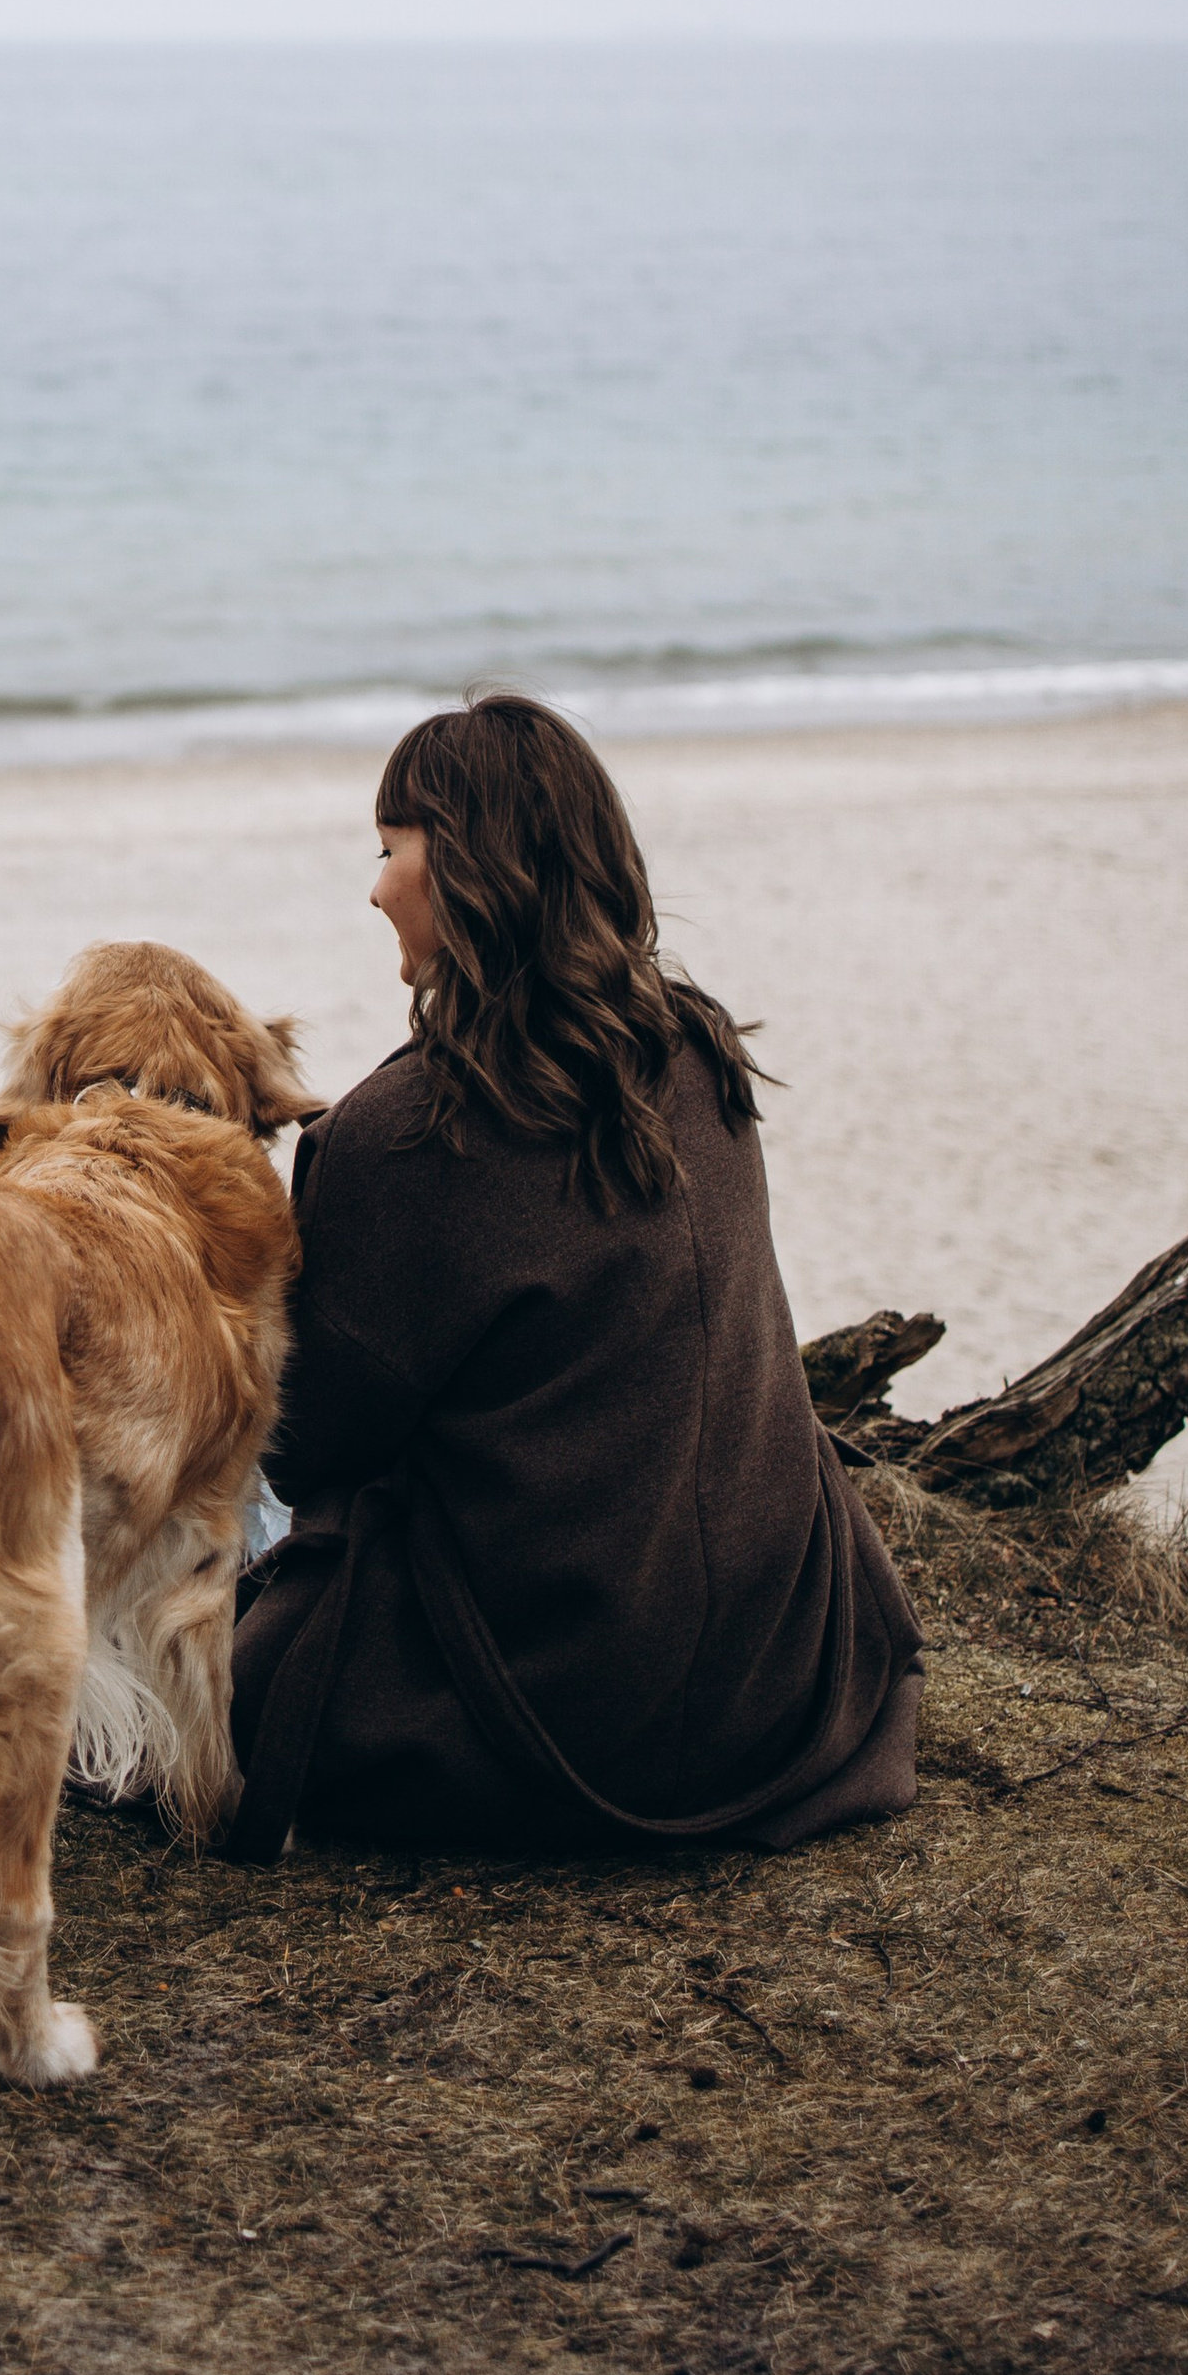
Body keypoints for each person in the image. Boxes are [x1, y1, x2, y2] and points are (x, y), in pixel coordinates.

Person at [227, 693, 921, 1860]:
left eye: (388, 847)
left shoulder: (396, 1134)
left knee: (238, 1485)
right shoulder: (695, 1047)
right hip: (781, 1683)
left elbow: (306, 1449)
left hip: (545, 1717)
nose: (373, 885)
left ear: (464, 870)